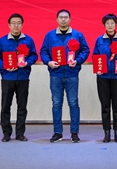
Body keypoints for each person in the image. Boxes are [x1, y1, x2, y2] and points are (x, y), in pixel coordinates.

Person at [40, 9, 90, 143]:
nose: (63, 19)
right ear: (57, 19)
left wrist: (78, 61)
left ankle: (74, 132)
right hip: (55, 74)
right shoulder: (50, 35)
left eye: (66, 17)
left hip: (72, 74)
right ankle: (57, 132)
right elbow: (43, 51)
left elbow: (85, 50)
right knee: (56, 103)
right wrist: (49, 62)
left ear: (70, 19)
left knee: (73, 103)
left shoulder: (77, 35)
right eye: (61, 17)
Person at [0, 13, 38, 142]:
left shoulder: (28, 40)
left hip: (23, 77)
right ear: (9, 25)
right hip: (8, 78)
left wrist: (27, 63)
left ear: (22, 25)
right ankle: (6, 133)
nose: (16, 25)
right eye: (13, 23)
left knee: (22, 107)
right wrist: (4, 66)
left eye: (18, 23)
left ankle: (20, 133)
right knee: (5, 107)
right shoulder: (2, 41)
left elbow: (34, 56)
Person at [92, 13, 117, 143]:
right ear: (104, 25)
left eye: (112, 23)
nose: (110, 25)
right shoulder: (99, 40)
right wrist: (98, 67)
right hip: (103, 77)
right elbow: (95, 56)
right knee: (105, 106)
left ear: (116, 24)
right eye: (107, 23)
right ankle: (107, 133)